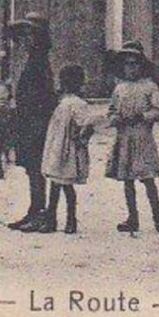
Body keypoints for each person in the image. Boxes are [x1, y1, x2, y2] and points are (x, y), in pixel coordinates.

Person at [104, 40, 159, 235]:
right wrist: (117, 118)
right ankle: (132, 217)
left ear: (141, 66)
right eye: (127, 64)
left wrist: (142, 116)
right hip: (124, 137)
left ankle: (158, 218)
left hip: (142, 137)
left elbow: (158, 111)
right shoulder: (119, 89)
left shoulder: (149, 87)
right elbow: (111, 111)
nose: (130, 68)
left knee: (148, 178)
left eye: (134, 64)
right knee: (127, 180)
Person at [5, 13, 58, 231]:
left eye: (30, 35)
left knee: (36, 168)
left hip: (36, 123)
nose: (26, 40)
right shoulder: (32, 60)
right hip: (27, 122)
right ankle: (34, 210)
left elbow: (45, 96)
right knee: (31, 168)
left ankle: (40, 212)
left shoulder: (39, 62)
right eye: (24, 35)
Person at [39, 64, 96, 234]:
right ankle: (54, 219)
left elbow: (88, 124)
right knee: (56, 184)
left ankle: (69, 220)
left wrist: (80, 139)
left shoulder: (77, 104)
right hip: (58, 147)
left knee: (65, 185)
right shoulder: (64, 103)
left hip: (67, 149)